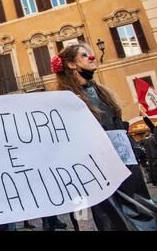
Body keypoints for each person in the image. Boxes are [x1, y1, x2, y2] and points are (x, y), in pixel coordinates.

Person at [52, 43, 156, 230]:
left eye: (91, 54)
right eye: (85, 55)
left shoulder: (102, 92)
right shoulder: (65, 99)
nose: (92, 57)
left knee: (141, 214)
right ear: (71, 65)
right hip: (99, 170)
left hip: (127, 165)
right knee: (113, 220)